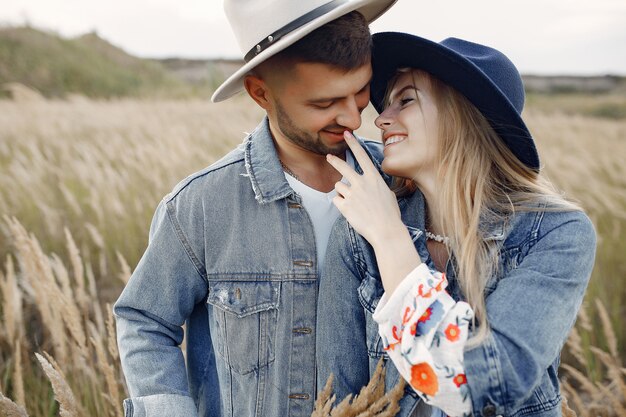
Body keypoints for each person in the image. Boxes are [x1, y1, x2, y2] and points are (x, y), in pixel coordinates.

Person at [112, 1, 399, 416]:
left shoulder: (402, 185)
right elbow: (144, 321)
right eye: (325, 104)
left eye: (361, 91)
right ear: (260, 93)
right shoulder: (201, 205)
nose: (353, 118)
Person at [319, 32, 597, 417]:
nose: (381, 119)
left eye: (406, 100)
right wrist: (380, 233)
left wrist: (390, 239)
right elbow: (340, 402)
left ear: (463, 114)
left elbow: (483, 384)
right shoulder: (357, 236)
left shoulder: (556, 234)